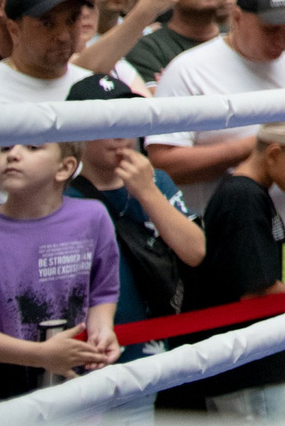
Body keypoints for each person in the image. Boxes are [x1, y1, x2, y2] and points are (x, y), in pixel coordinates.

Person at [162, 121, 285, 422]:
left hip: (250, 366)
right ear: (274, 153)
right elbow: (258, 294)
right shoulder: (243, 198)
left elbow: (236, 265)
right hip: (249, 369)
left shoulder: (247, 193)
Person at [0, 141, 119, 402]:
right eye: (5, 148)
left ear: (65, 167)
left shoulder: (93, 216)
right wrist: (41, 354)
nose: (13, 155)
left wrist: (102, 331)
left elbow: (102, 292)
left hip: (75, 400)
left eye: (32, 147)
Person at [147, 0, 285, 225]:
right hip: (211, 241)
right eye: (270, 29)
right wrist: (257, 145)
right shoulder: (189, 70)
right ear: (237, 18)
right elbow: (164, 165)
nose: (282, 40)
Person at [64, 73, 208, 376]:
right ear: (75, 131)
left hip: (154, 347)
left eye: (126, 119)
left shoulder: (156, 181)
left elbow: (195, 251)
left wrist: (146, 192)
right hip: (88, 352)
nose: (120, 133)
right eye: (105, 121)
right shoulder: (62, 195)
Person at [0, 0, 113, 211]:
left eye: (72, 20)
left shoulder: (94, 86)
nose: (63, 35)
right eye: (47, 23)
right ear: (14, 29)